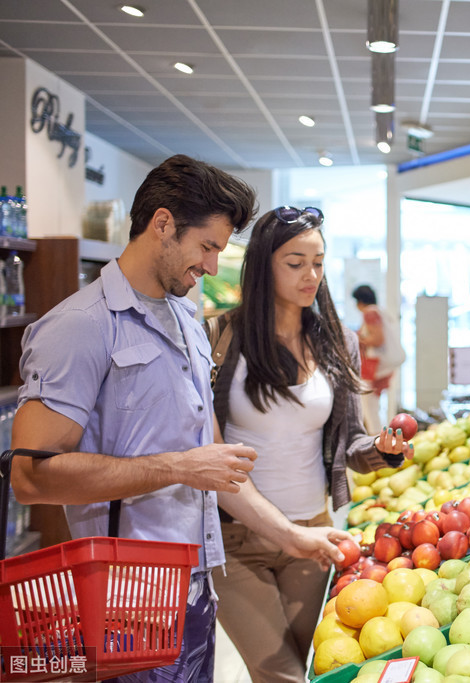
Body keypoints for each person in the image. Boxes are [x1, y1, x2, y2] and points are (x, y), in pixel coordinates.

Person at [8, 155, 407, 683]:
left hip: (196, 586)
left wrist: (291, 535)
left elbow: (214, 467)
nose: (214, 267)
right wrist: (177, 467)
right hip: (127, 600)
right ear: (163, 224)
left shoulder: (186, 322)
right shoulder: (80, 327)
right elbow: (30, 477)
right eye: (208, 247)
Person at [206, 208, 409, 683]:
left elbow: (351, 443)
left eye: (318, 262)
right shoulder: (218, 337)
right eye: (295, 262)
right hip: (236, 541)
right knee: (279, 674)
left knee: (323, 666)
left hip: (314, 531)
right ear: (263, 265)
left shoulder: (337, 340)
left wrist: (382, 448)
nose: (310, 275)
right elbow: (204, 445)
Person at [352, 284, 397, 433]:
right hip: (381, 366)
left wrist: (358, 339)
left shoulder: (369, 313)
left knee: (369, 406)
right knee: (372, 406)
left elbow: (378, 339)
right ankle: (377, 437)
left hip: (374, 367)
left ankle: (375, 440)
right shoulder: (379, 312)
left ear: (360, 301)